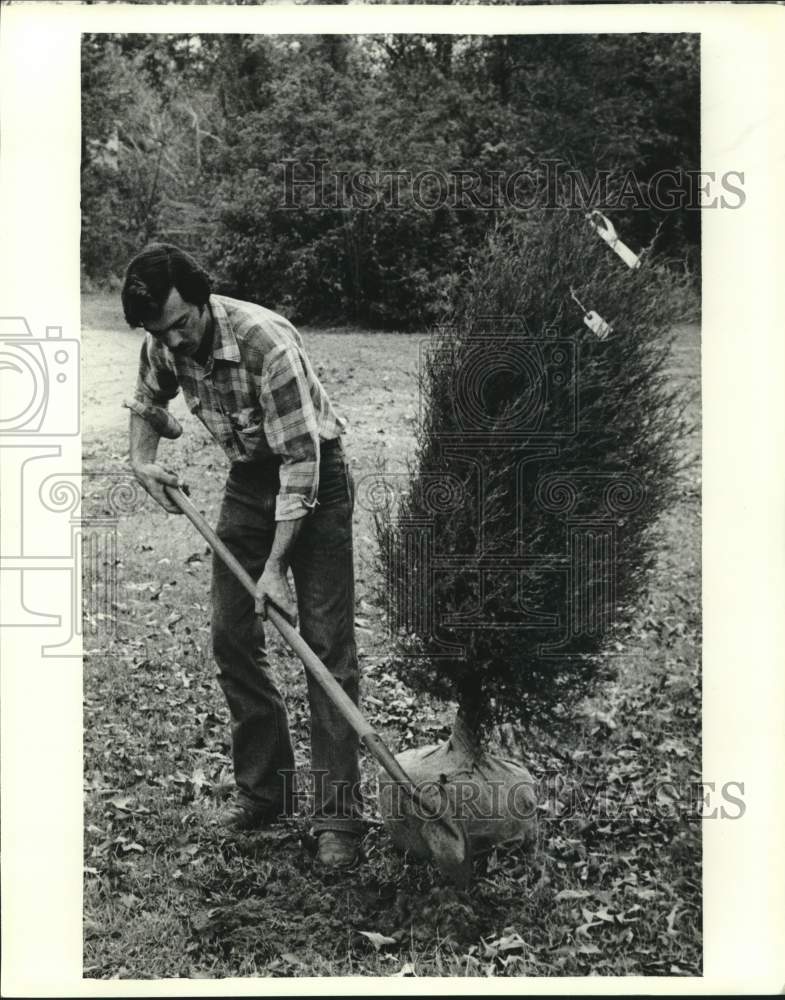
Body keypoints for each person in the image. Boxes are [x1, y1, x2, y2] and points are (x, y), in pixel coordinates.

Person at [121, 243, 363, 868]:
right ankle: (267, 791)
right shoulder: (165, 341)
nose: (173, 342)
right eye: (160, 333)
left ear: (202, 297)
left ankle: (338, 818)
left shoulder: (265, 342)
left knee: (325, 648)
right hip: (250, 483)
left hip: (316, 480)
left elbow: (303, 465)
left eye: (182, 325)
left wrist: (275, 567)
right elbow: (149, 403)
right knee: (231, 633)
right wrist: (141, 459)